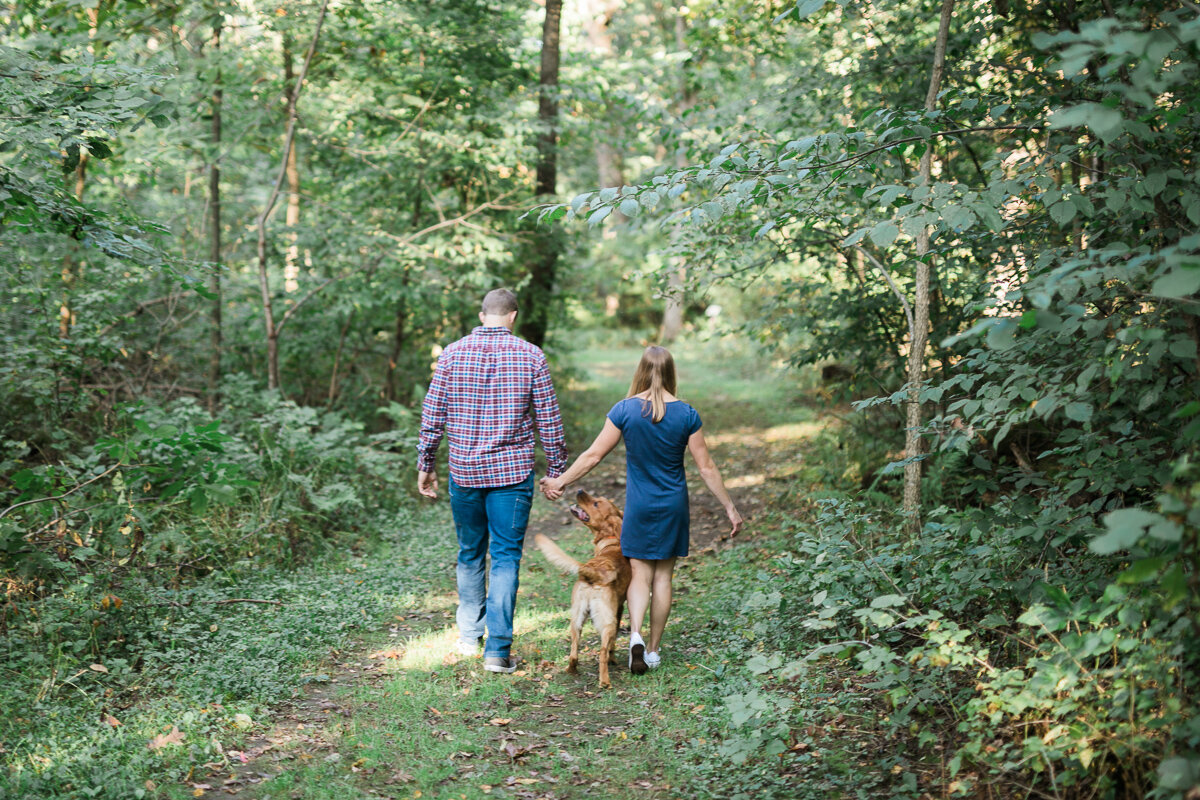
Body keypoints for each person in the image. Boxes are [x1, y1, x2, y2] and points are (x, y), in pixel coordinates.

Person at [540, 345, 742, 674]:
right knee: (663, 577)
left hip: (639, 507)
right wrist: (730, 508)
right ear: (672, 372)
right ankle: (652, 650)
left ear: (640, 371)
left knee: (640, 576)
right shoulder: (687, 414)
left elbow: (593, 455)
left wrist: (561, 481)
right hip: (673, 505)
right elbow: (706, 468)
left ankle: (634, 634)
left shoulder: (624, 410)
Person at [417, 288, 568, 674]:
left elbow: (433, 412)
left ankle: (469, 637)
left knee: (470, 552)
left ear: (482, 315)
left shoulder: (452, 353)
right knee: (505, 557)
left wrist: (426, 462)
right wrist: (557, 469)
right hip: (512, 475)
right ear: (513, 317)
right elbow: (549, 420)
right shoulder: (531, 355)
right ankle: (498, 652)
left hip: (465, 471)